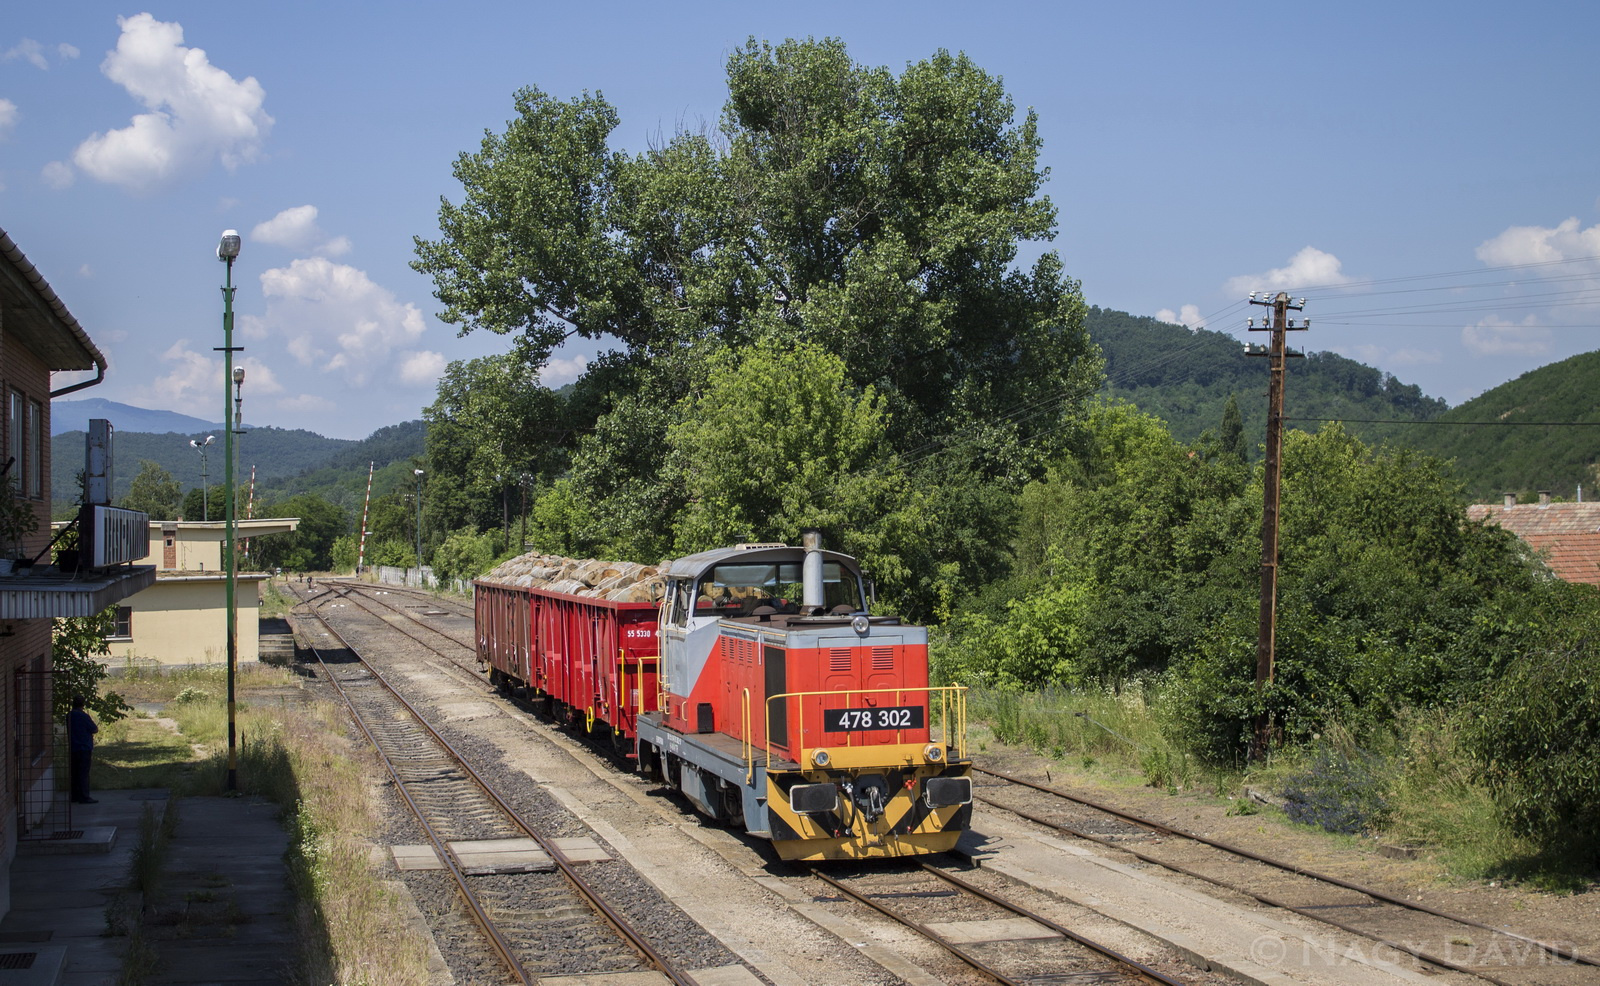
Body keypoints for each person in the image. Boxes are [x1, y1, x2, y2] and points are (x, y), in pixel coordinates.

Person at [68, 695, 99, 804]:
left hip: (73, 748)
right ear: (82, 704)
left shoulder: (69, 715)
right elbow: (94, 729)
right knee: (83, 773)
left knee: (74, 772)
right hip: (84, 747)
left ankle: (74, 796)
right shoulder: (83, 716)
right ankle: (84, 796)